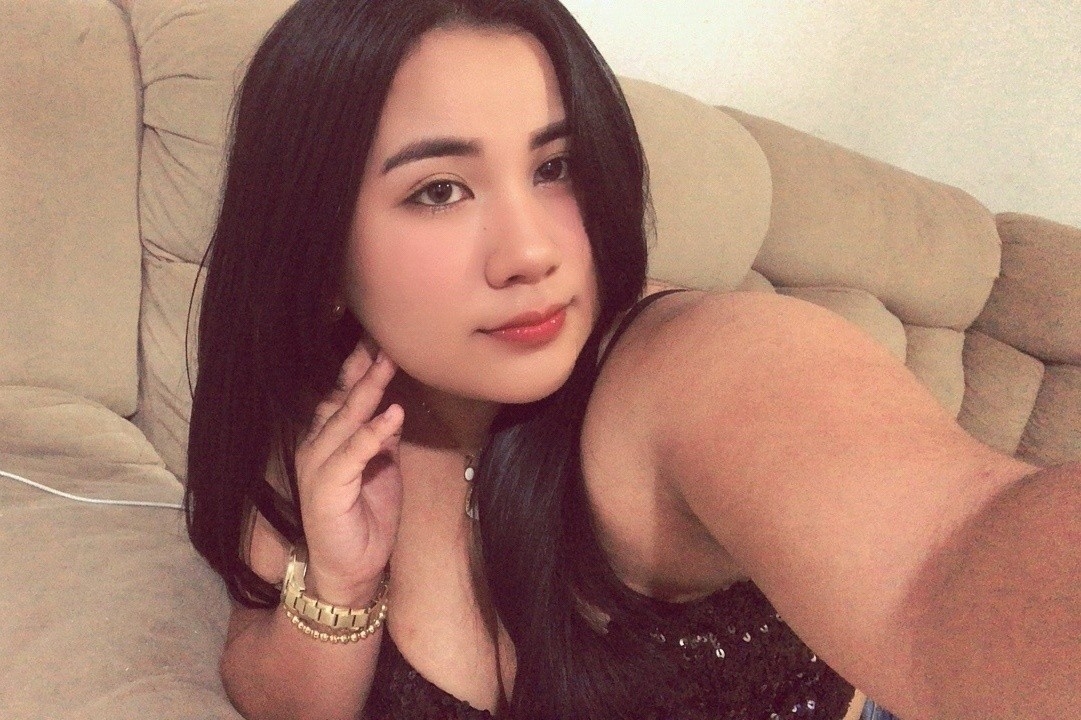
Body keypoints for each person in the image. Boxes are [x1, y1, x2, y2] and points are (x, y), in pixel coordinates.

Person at [184, 1, 1080, 719]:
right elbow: (272, 688)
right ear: (317, 250)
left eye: (554, 166)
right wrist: (340, 583)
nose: (531, 252)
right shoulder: (334, 413)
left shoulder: (696, 366)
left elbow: (949, 560)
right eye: (440, 189)